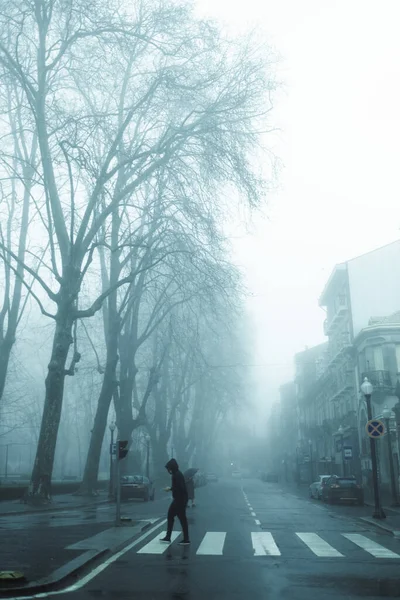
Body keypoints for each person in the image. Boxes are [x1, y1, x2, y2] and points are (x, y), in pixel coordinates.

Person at [160, 458, 190, 545]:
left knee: (177, 518)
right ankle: (170, 537)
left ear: (171, 468)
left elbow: (179, 488)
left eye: (168, 468)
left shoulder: (176, 475)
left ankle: (183, 539)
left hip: (179, 500)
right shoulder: (177, 474)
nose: (168, 470)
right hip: (180, 499)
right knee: (177, 518)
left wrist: (170, 489)